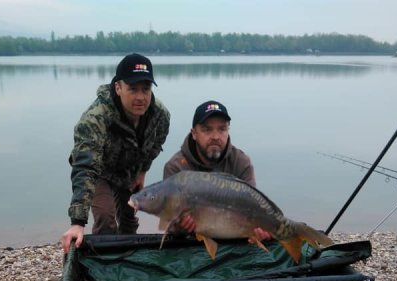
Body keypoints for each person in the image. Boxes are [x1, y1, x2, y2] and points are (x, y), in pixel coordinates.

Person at [61, 53, 171, 253]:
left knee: (129, 216)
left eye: (146, 89)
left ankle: (128, 258)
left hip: (128, 170)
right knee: (105, 218)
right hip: (99, 172)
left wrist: (142, 171)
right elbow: (85, 167)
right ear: (118, 87)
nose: (140, 97)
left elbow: (156, 144)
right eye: (133, 89)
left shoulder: (160, 115)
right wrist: (77, 222)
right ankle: (105, 263)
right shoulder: (95, 118)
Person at [163, 100, 271, 240]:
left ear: (228, 130)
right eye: (207, 129)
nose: (215, 137)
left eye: (222, 129)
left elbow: (254, 208)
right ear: (194, 133)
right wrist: (179, 227)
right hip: (190, 242)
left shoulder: (241, 162)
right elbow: (169, 221)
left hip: (235, 236)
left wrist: (261, 230)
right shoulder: (176, 168)